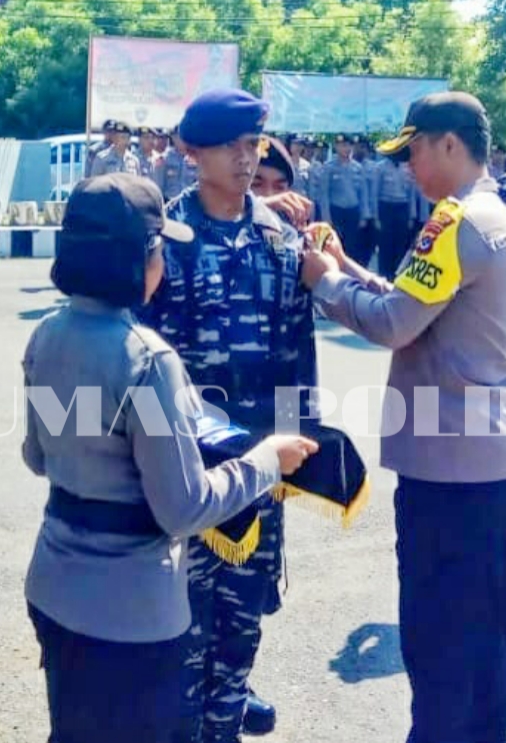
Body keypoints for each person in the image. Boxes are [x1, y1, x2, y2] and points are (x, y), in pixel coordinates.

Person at [21, 172, 316, 743]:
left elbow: (38, 456)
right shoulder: (148, 360)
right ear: (141, 259)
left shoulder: (46, 334)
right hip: (131, 607)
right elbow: (183, 508)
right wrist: (266, 462)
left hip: (56, 583)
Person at [301, 91, 506, 743]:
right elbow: (420, 303)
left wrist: (321, 280)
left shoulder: (453, 222)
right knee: (480, 621)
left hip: (448, 459)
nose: (408, 167)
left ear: (449, 144)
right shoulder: (493, 215)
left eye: (415, 151)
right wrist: (347, 267)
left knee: (437, 634)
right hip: (485, 451)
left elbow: (395, 323)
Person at [140, 89, 318, 743]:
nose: (247, 159)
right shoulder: (168, 239)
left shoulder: (280, 236)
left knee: (242, 626)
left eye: (255, 146)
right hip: (185, 470)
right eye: (232, 147)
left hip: (260, 465)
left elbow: (298, 347)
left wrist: (304, 439)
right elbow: (140, 362)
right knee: (179, 630)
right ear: (192, 153)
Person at [318, 134, 372, 263]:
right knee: (335, 248)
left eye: (349, 145)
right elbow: (323, 195)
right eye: (343, 145)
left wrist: (364, 215)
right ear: (336, 147)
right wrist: (327, 218)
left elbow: (363, 193)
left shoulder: (357, 168)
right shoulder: (328, 167)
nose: (346, 148)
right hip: (336, 212)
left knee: (353, 249)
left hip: (353, 213)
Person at [371, 149, 420, 277]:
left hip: (402, 208)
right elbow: (374, 194)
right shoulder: (380, 168)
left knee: (402, 245)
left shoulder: (406, 168)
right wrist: (375, 217)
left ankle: (398, 277)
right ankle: (384, 276)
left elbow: (411, 194)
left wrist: (411, 216)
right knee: (385, 245)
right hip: (386, 208)